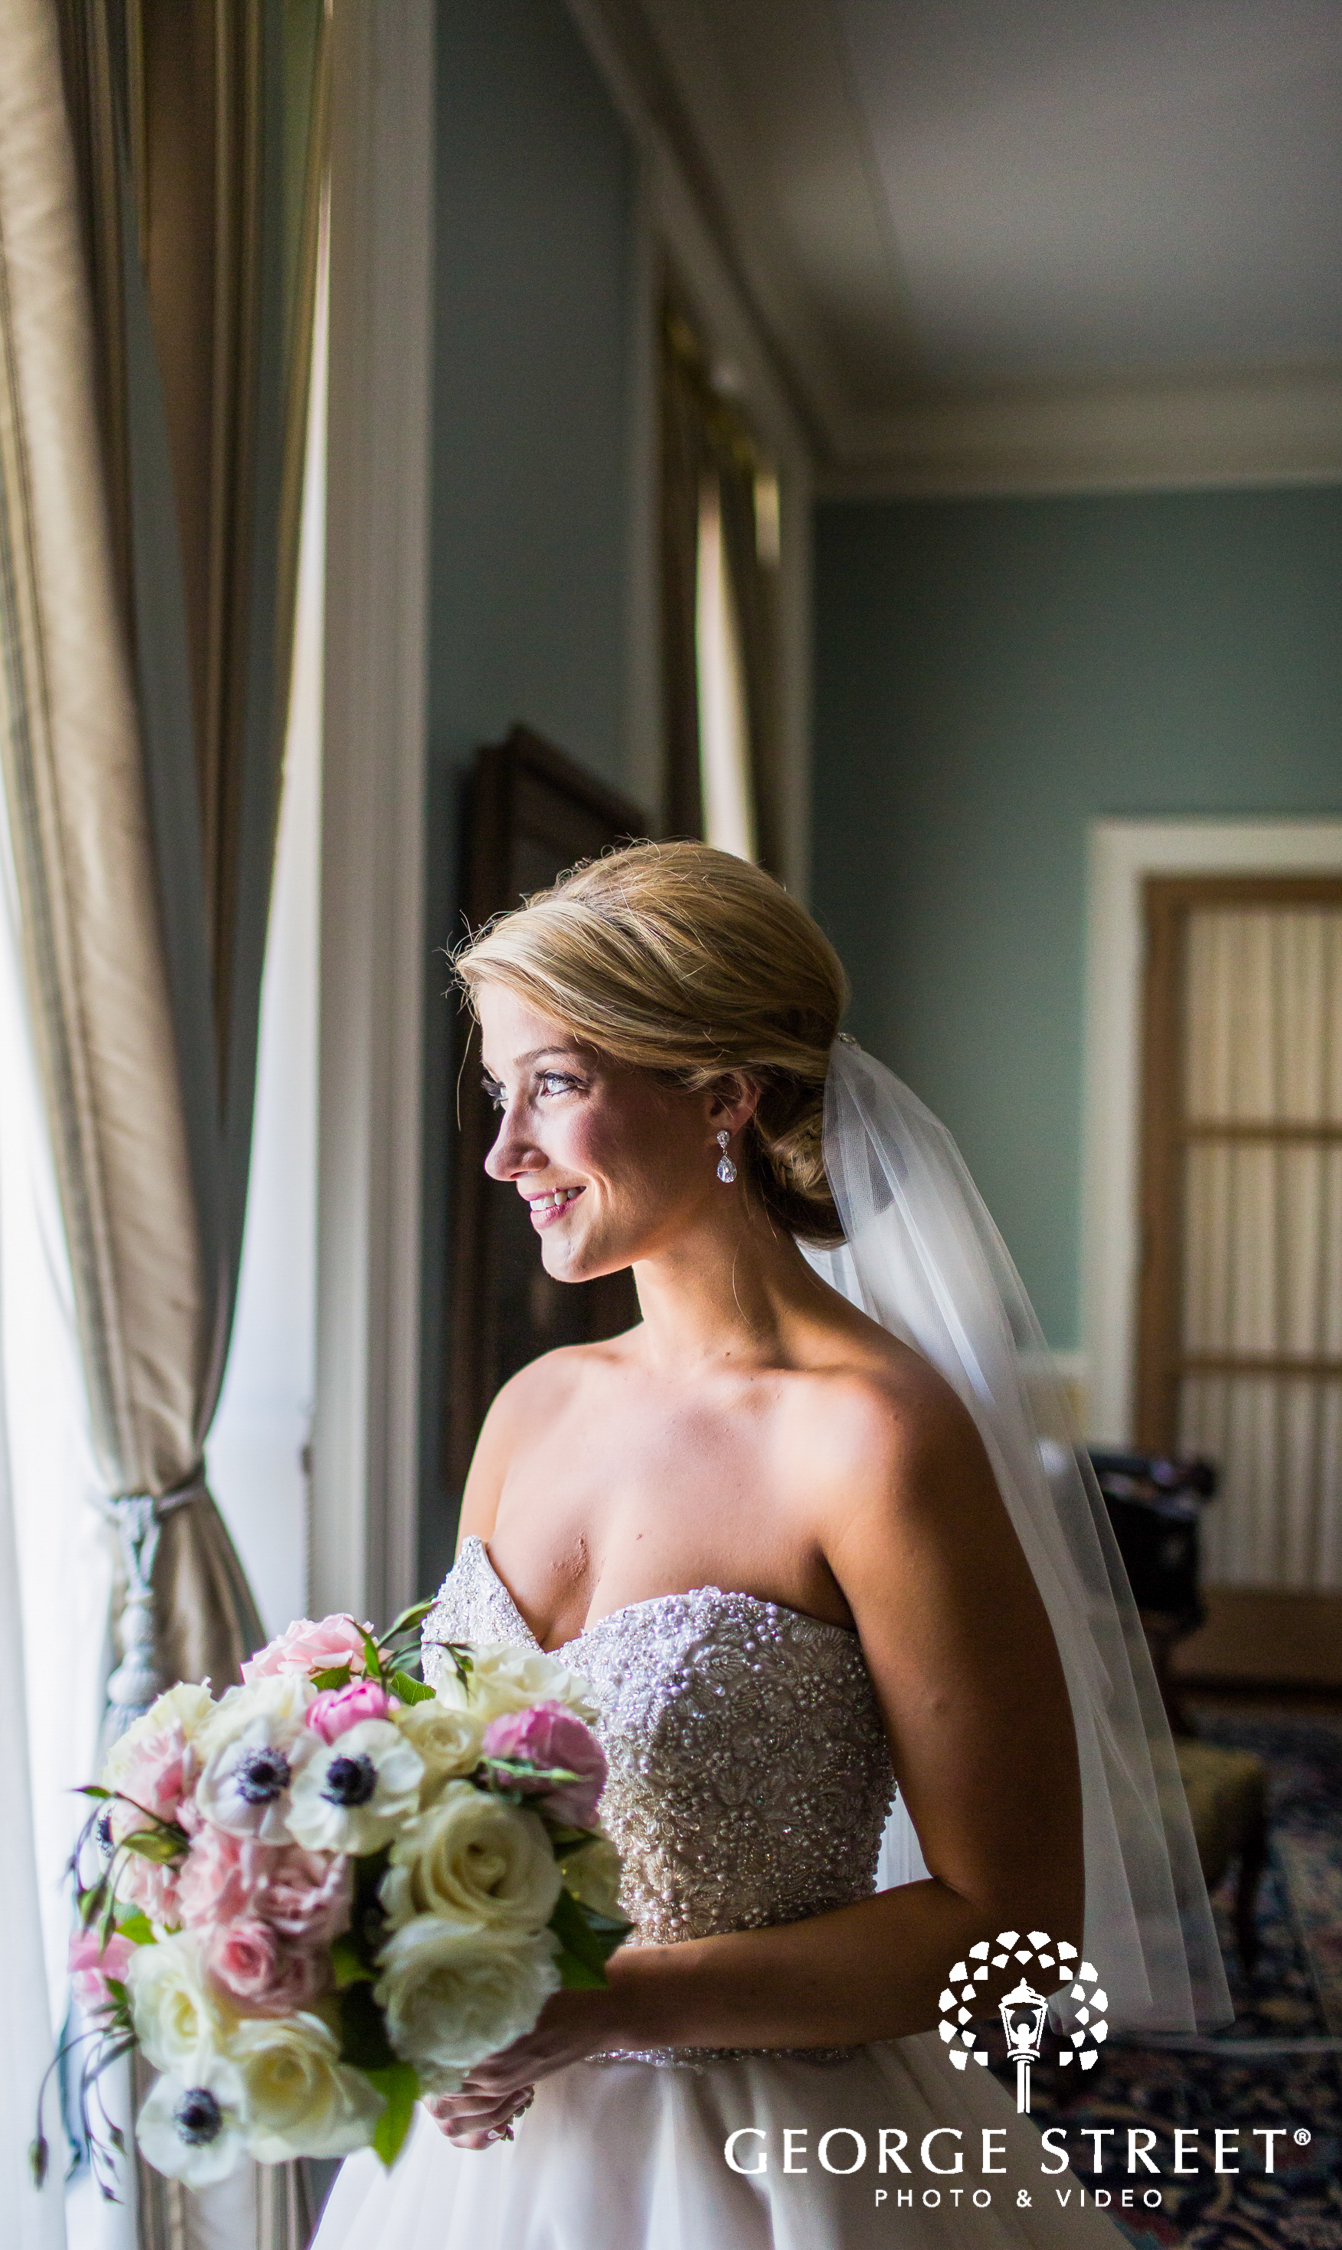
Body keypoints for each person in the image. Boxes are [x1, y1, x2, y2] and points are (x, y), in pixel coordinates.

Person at [316, 842, 1226, 2248]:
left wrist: (610, 2007)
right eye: (500, 1095)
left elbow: (1011, 1920)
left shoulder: (877, 1438)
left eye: (553, 1084)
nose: (505, 1154)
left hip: (770, 2170)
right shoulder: (532, 1408)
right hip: (482, 2169)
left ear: (723, 1090)